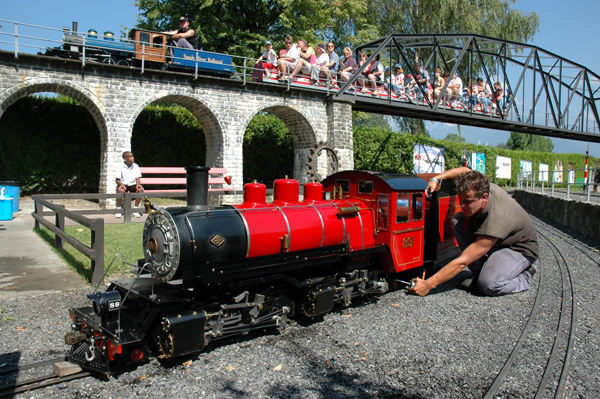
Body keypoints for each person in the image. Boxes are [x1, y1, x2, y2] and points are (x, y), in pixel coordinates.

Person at [409, 167, 538, 297]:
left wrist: (428, 284)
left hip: (516, 248)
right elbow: (463, 170)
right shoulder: (478, 184)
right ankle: (480, 272)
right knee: (458, 220)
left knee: (488, 284)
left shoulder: (496, 216)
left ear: (484, 197)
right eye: (461, 199)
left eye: (468, 202)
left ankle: (524, 276)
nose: (462, 205)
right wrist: (435, 179)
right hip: (498, 241)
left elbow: (463, 261)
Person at [116, 151, 144, 218]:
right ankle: (118, 209)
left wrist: (138, 184)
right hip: (124, 184)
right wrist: (121, 184)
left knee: (140, 190)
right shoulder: (120, 166)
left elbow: (137, 178)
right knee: (120, 192)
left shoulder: (135, 166)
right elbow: (117, 180)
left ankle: (135, 209)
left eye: (133, 156)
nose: (133, 158)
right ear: (125, 159)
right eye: (130, 157)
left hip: (132, 184)